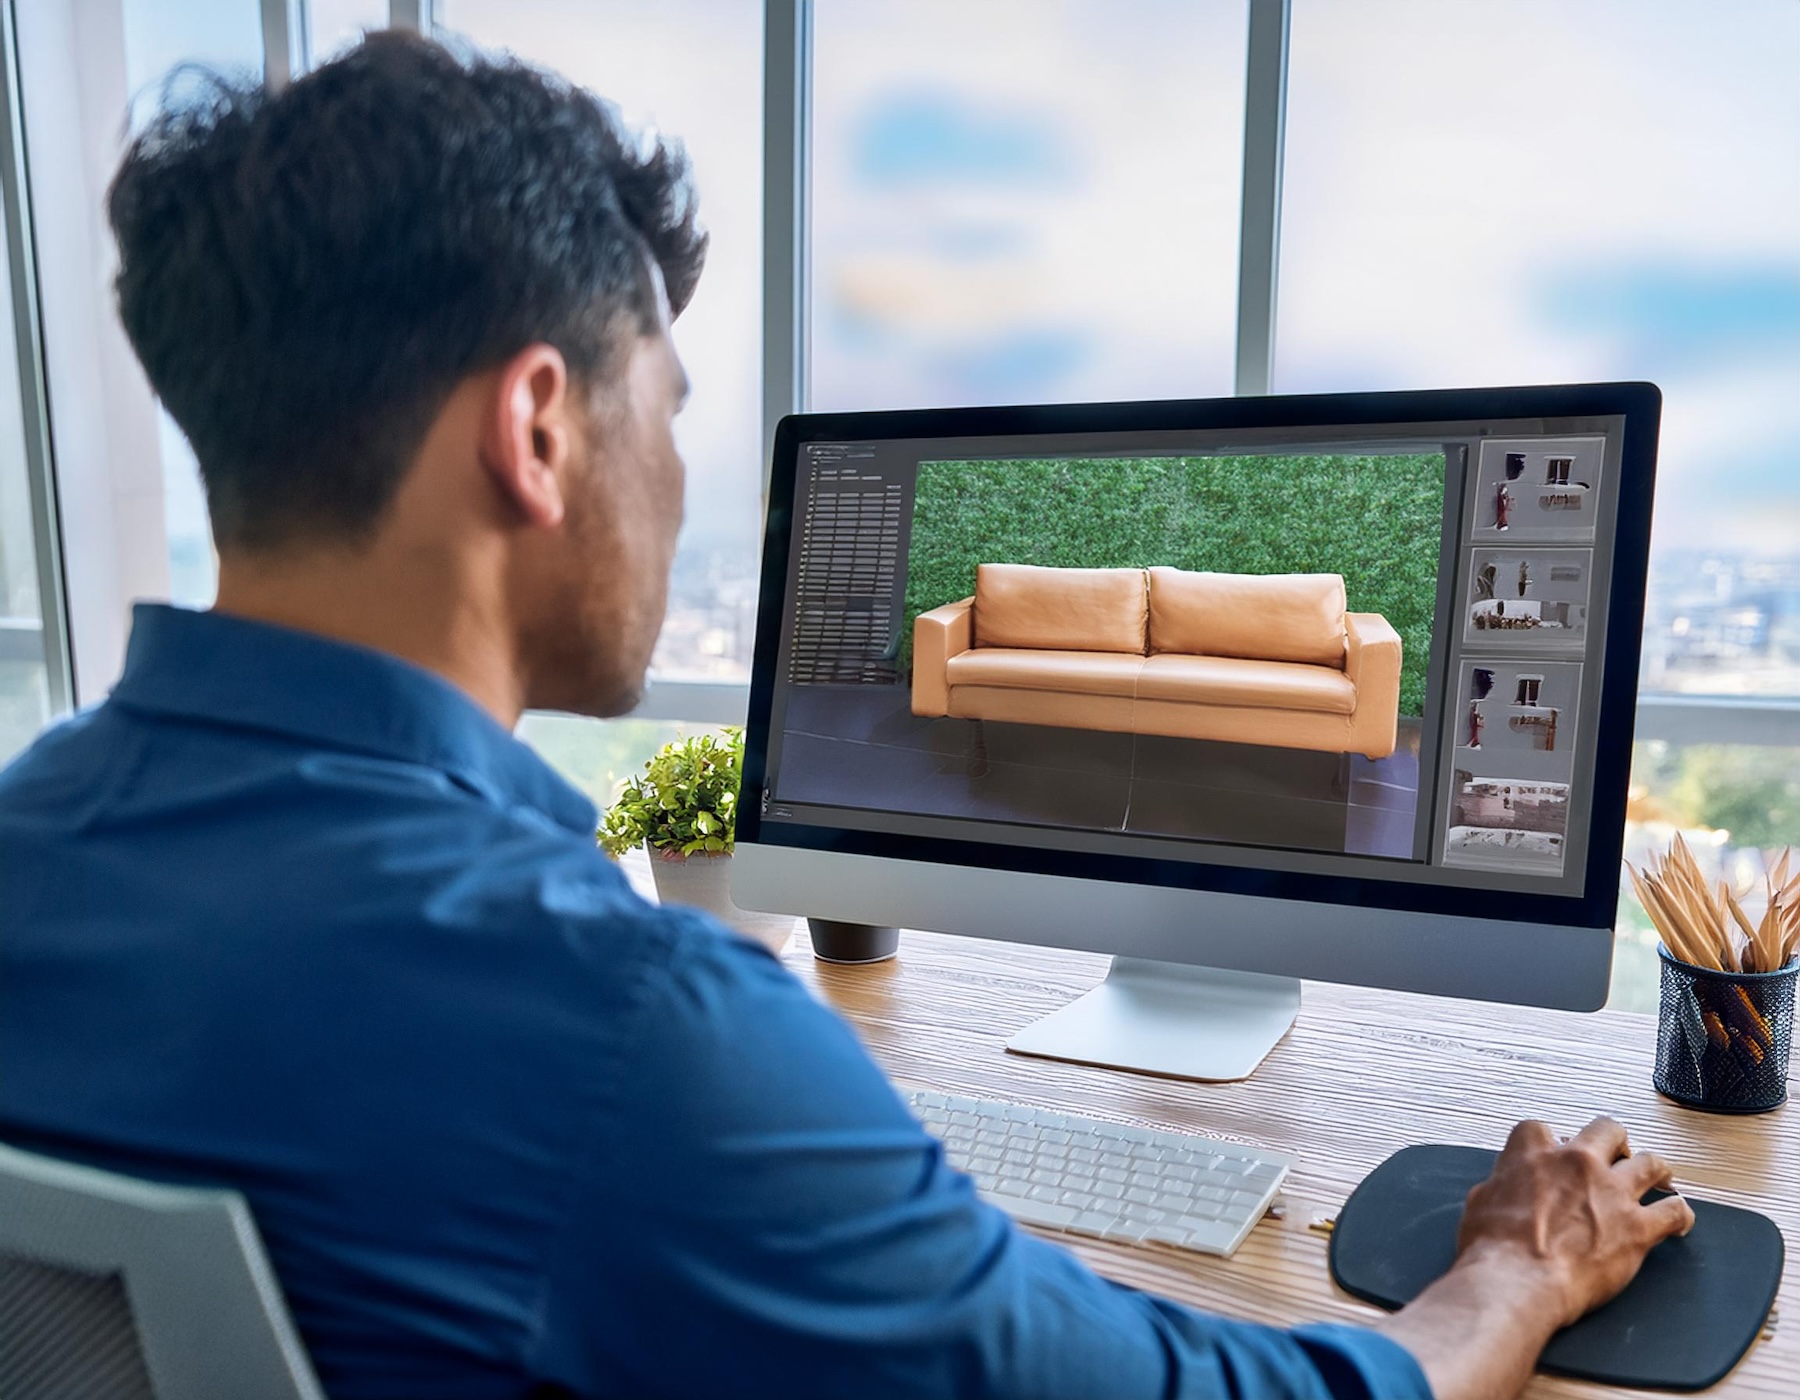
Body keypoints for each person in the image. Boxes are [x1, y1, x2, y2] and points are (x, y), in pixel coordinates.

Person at [0, 34, 1691, 1400]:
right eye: (663, 407)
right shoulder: (633, 1030)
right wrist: (1507, 1274)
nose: (675, 478)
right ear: (537, 428)